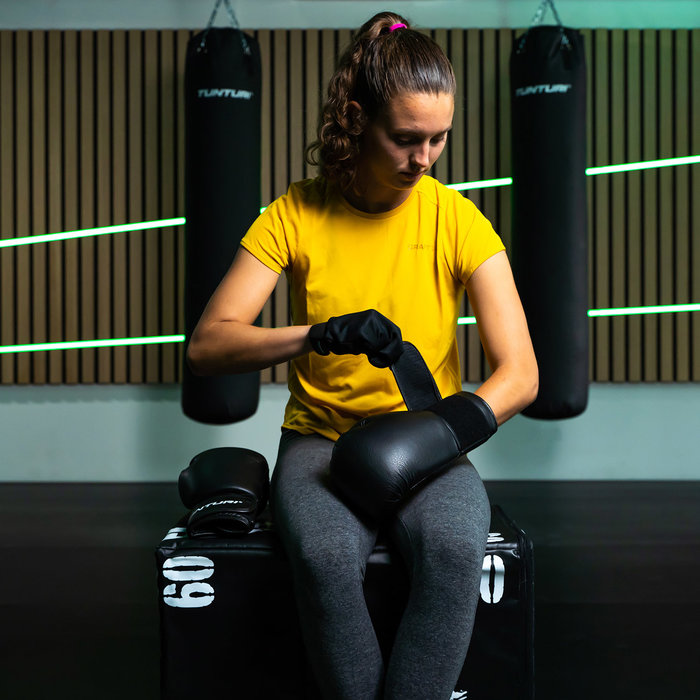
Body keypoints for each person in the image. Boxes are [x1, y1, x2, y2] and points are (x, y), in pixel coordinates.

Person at [187, 11, 538, 700]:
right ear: (356, 119)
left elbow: (521, 372)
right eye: (406, 138)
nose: (425, 157)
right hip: (319, 441)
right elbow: (209, 344)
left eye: (439, 138)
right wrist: (316, 334)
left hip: (429, 444)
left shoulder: (457, 220)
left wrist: (443, 431)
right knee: (320, 556)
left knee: (456, 549)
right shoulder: (294, 214)